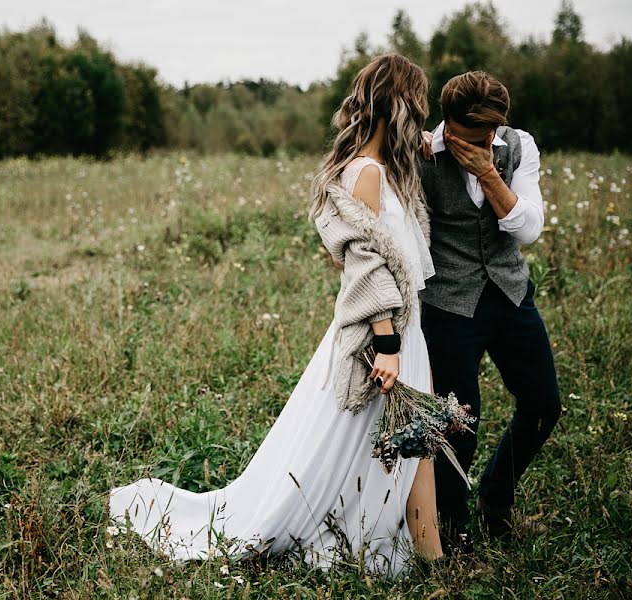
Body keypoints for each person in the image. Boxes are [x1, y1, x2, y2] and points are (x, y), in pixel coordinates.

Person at [107, 53, 444, 578]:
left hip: (406, 330)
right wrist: (388, 346)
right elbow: (363, 264)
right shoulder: (369, 173)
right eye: (417, 104)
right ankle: (370, 539)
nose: (421, 116)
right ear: (398, 105)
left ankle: (433, 554)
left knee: (418, 436)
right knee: (382, 441)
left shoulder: (382, 169)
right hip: (384, 337)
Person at [417, 71, 561, 556]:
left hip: (511, 294)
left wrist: (489, 171)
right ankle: (452, 526)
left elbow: (529, 231)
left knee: (544, 404)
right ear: (446, 122)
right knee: (459, 421)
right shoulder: (421, 154)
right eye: (464, 137)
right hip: (449, 303)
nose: (476, 145)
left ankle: (495, 496)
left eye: (486, 138)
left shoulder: (519, 147)